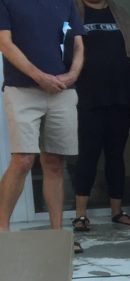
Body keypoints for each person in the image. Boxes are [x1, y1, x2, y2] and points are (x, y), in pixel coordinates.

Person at [0, 0, 84, 249]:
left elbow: (78, 44)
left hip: (63, 90)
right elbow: (5, 43)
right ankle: (2, 231)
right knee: (23, 159)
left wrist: (72, 75)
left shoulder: (65, 3)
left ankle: (57, 236)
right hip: (22, 90)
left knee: (55, 162)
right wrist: (39, 76)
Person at [71, 0, 130, 235]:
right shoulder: (74, 11)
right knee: (88, 154)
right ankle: (80, 215)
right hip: (88, 97)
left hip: (120, 96)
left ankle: (118, 211)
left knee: (116, 155)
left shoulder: (120, 14)